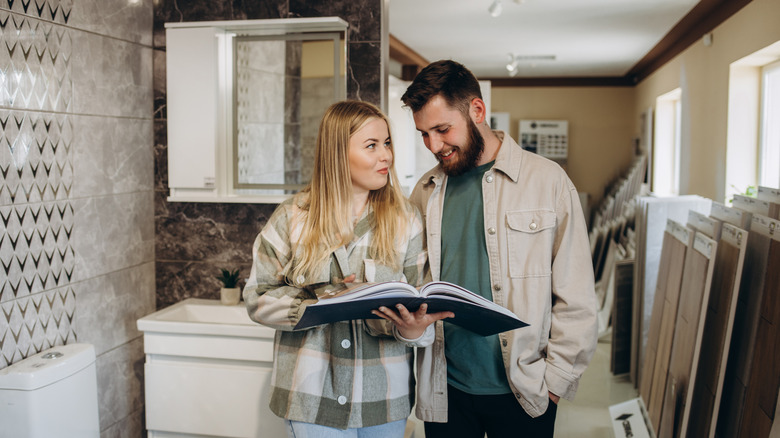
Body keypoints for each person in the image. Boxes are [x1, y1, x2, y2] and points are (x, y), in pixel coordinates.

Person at [400, 60, 599, 437]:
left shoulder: (548, 181)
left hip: (526, 391)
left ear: (477, 110)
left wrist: (554, 384)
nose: (434, 146)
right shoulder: (425, 191)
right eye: (424, 134)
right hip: (448, 392)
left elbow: (577, 297)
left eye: (443, 129)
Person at [243, 100, 451, 438]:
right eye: (372, 146)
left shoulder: (406, 220)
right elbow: (257, 299)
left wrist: (414, 329)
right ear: (337, 153)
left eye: (387, 144)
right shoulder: (291, 217)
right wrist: (324, 298)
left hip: (383, 401)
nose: (386, 156)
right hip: (310, 401)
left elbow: (421, 306)